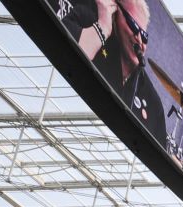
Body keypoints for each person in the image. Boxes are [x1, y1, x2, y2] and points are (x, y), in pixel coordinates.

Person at [55, 0, 167, 147]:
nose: (139, 39)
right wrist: (102, 28)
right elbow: (63, 51)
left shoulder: (153, 102)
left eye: (144, 35)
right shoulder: (87, 20)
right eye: (133, 26)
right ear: (115, 14)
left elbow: (157, 153)